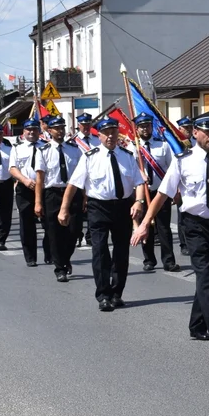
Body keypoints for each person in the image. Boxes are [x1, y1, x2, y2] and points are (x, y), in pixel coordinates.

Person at [132, 112, 209, 349]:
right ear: (195, 133)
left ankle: (197, 324)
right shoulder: (182, 160)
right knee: (205, 275)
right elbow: (163, 194)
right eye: (207, 132)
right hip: (194, 224)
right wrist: (146, 223)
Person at [59, 117, 147, 312]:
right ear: (99, 135)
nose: (110, 136)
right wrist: (64, 208)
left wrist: (139, 203)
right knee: (100, 251)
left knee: (121, 252)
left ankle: (116, 293)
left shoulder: (126, 155)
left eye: (114, 132)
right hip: (98, 207)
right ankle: (103, 295)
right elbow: (73, 184)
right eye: (106, 133)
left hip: (123, 206)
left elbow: (139, 182)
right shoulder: (90, 157)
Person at [35, 115, 83, 282]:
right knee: (54, 233)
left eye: (62, 128)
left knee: (74, 231)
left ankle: (65, 258)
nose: (60, 131)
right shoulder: (43, 151)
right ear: (50, 131)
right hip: (52, 194)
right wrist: (38, 202)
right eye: (57, 128)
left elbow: (82, 175)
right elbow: (40, 178)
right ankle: (59, 267)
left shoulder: (74, 149)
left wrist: (84, 197)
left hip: (73, 193)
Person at [134, 113, 179, 272]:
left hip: (160, 193)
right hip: (142, 193)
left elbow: (172, 168)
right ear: (137, 128)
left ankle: (169, 261)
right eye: (142, 126)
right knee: (146, 227)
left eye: (147, 126)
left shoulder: (163, 145)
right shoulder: (133, 147)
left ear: (151, 127)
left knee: (164, 227)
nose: (145, 129)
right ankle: (149, 260)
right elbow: (130, 169)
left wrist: (174, 190)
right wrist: (140, 173)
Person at [10, 119, 47, 267]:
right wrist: (25, 180)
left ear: (39, 131)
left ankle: (49, 252)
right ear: (23, 132)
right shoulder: (17, 148)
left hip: (43, 188)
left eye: (34, 130)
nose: (31, 132)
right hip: (25, 188)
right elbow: (12, 168)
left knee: (48, 223)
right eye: (28, 130)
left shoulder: (45, 147)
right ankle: (30, 256)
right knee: (27, 224)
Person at [73, 112, 100, 247]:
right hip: (79, 178)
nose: (86, 127)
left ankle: (90, 235)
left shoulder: (97, 140)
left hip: (95, 177)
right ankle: (78, 234)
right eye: (83, 125)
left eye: (88, 124)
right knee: (78, 209)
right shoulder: (72, 141)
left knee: (92, 207)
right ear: (79, 126)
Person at [175, 115, 195, 257]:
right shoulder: (176, 142)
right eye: (185, 128)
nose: (187, 130)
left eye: (189, 127)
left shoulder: (196, 141)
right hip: (181, 183)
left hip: (195, 183)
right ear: (179, 128)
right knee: (182, 216)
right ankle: (184, 244)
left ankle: (194, 242)